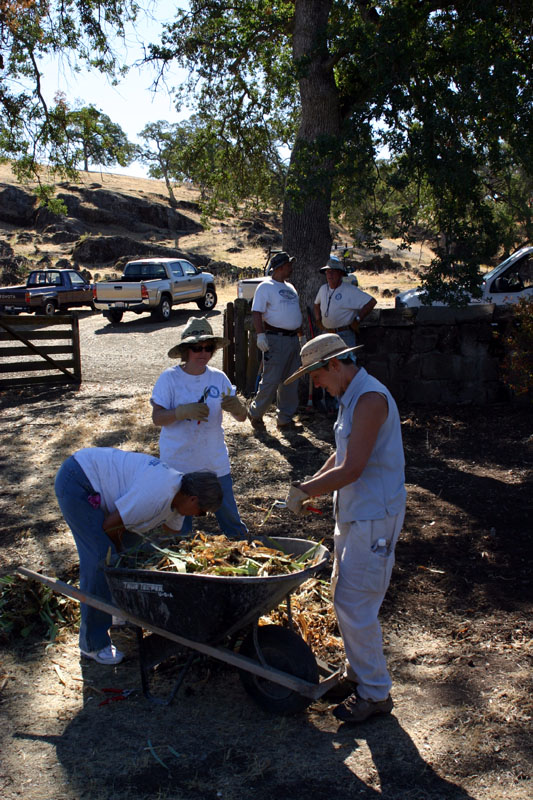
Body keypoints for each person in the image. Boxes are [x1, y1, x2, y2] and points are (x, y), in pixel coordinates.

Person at [283, 333, 406, 723]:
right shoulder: (350, 397)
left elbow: (353, 469)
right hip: (355, 512)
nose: (314, 384)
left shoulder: (370, 399)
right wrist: (310, 486)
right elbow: (343, 454)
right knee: (344, 594)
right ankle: (358, 674)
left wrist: (304, 491)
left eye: (315, 376)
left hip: (375, 516)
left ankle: (375, 693)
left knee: (357, 603)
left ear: (334, 365)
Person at [55, 447, 222, 665]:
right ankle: (92, 644)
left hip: (107, 492)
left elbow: (169, 535)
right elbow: (110, 528)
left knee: (136, 554)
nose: (199, 517)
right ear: (192, 499)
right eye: (202, 512)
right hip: (79, 480)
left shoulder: (177, 497)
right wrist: (117, 556)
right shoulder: (157, 493)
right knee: (101, 558)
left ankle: (117, 607)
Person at [151, 317, 248, 539]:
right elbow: (157, 418)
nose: (203, 352)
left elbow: (241, 418)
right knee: (179, 530)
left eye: (208, 347)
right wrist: (181, 412)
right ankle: (181, 569)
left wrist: (239, 408)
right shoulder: (170, 379)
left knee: (231, 522)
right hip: (178, 466)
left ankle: (245, 558)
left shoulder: (219, 378)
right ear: (186, 350)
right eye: (197, 347)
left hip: (214, 463)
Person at [248, 251, 306, 431]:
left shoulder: (291, 287)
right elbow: (257, 312)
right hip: (276, 339)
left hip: (292, 340)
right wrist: (261, 335)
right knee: (271, 380)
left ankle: (284, 419)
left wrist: (301, 337)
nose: (291, 267)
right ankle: (255, 413)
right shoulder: (266, 287)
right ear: (280, 267)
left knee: (291, 380)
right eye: (289, 264)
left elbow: (294, 314)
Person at [314, 256, 377, 348]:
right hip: (327, 334)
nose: (329, 275)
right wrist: (318, 319)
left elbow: (372, 302)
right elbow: (316, 304)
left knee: (347, 361)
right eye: (328, 272)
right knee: (331, 362)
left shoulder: (349, 290)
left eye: (333, 272)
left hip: (345, 334)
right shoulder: (323, 289)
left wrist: (358, 319)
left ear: (340, 274)